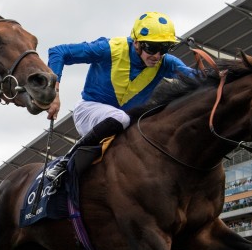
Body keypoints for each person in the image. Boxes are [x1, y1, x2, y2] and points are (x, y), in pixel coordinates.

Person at [44, 12, 199, 180]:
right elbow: (58, 52)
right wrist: (54, 93)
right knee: (121, 118)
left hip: (126, 121)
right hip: (89, 110)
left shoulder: (166, 62)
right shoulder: (109, 48)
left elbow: (197, 77)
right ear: (137, 43)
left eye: (164, 49)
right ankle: (66, 162)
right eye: (152, 48)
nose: (157, 56)